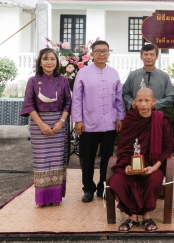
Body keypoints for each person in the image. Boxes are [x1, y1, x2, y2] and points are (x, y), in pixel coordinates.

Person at [109, 88, 174, 231]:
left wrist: (156, 166)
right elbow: (123, 146)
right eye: (140, 100)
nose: (143, 104)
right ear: (135, 102)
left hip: (152, 164)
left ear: (153, 102)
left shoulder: (160, 120)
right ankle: (132, 216)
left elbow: (168, 148)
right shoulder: (130, 120)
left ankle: (147, 215)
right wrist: (126, 164)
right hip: (131, 164)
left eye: (147, 100)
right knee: (116, 181)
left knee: (154, 179)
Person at [72, 40, 125, 202]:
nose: (102, 54)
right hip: (88, 123)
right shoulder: (83, 73)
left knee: (107, 158)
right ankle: (88, 188)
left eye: (105, 51)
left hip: (109, 123)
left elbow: (118, 98)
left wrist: (120, 117)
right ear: (92, 54)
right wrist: (78, 120)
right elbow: (77, 98)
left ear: (109, 53)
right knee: (87, 158)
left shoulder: (114, 73)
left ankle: (103, 186)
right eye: (98, 51)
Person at [20, 48, 72, 207]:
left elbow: (68, 103)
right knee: (42, 161)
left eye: (52, 59)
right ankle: (42, 199)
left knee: (57, 161)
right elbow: (29, 105)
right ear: (40, 62)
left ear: (57, 62)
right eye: (45, 59)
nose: (49, 62)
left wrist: (61, 122)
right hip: (38, 125)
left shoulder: (63, 80)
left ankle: (55, 197)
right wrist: (41, 124)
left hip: (58, 124)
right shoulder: (33, 81)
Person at [122, 43, 174, 114]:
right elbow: (125, 93)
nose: (148, 57)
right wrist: (132, 103)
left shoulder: (164, 76)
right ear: (141, 57)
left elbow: (170, 97)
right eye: (146, 54)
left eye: (152, 54)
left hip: (157, 115)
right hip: (136, 115)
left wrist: (155, 104)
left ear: (156, 57)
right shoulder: (132, 75)